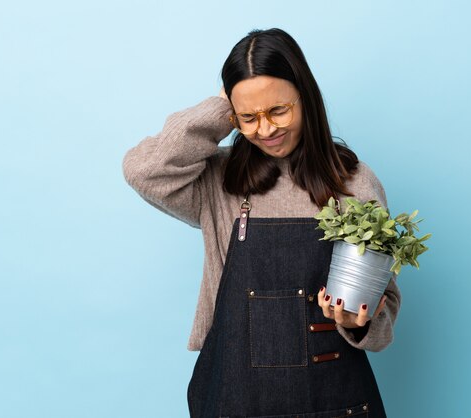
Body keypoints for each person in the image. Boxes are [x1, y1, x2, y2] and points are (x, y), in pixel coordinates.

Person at [123, 27, 401, 418]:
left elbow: (384, 316)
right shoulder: (218, 182)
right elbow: (144, 170)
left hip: (334, 402)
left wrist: (360, 322)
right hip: (234, 398)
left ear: (306, 97)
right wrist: (221, 108)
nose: (265, 129)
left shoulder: (354, 184)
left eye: (278, 110)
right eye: (248, 117)